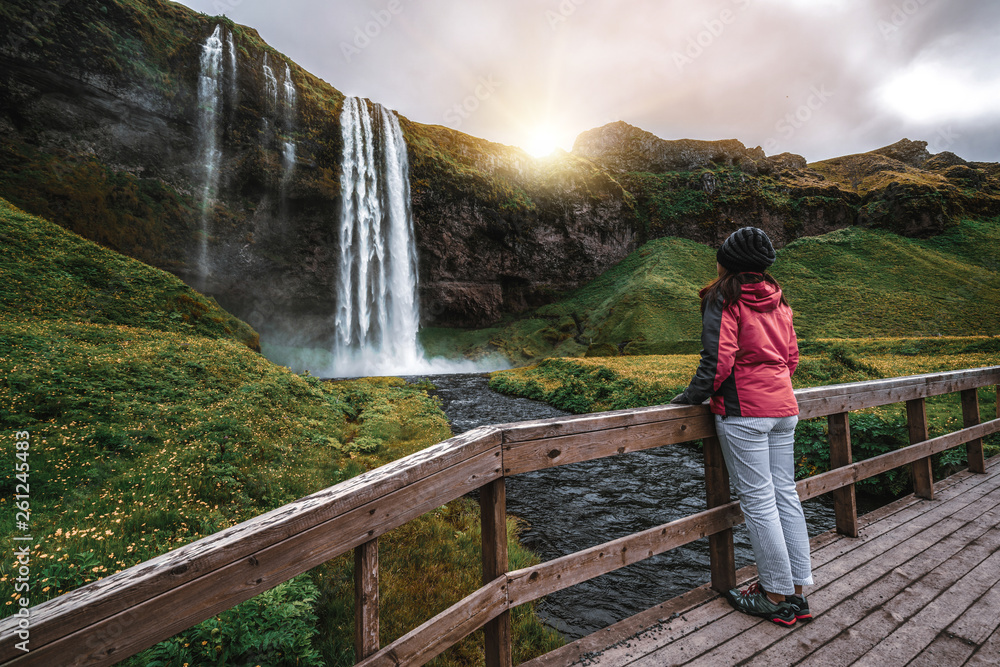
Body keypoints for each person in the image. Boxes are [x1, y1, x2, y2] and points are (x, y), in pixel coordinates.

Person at [670, 226, 813, 627]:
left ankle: (773, 595)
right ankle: (798, 594)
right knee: (785, 495)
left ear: (727, 263)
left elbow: (718, 362)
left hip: (745, 411)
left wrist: (689, 397)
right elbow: (791, 359)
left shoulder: (724, 298)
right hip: (784, 408)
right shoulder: (778, 299)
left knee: (758, 500)